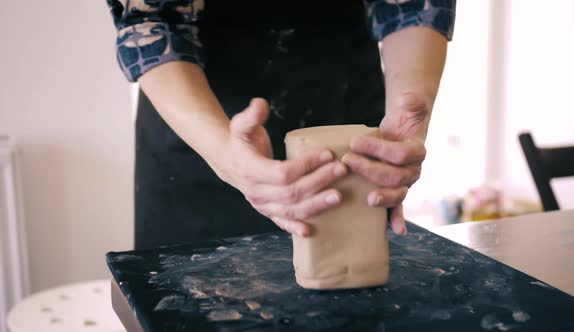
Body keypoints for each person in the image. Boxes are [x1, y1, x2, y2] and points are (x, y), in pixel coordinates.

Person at [106, 0, 456, 250]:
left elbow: (411, 5)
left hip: (347, 131)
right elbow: (151, 20)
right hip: (202, 140)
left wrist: (407, 111)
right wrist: (226, 155)